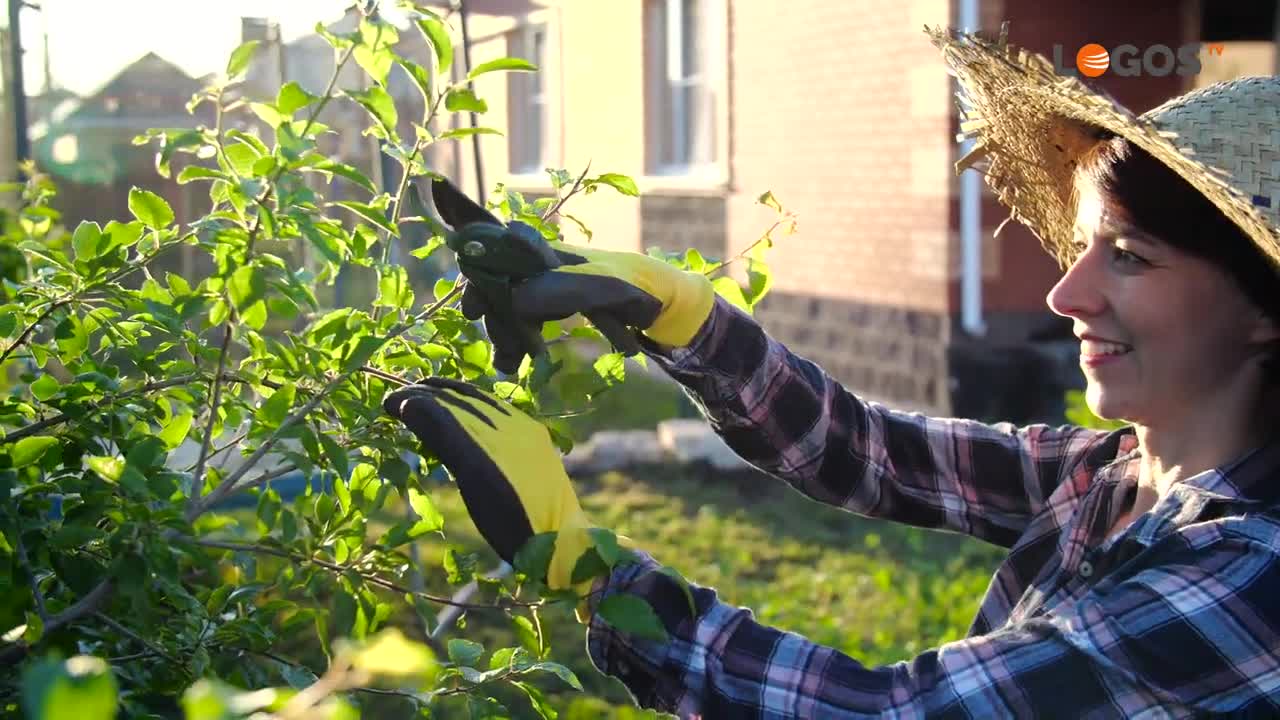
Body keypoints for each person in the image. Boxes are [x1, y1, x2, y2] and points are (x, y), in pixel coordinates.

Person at [383, 26, 1280, 717]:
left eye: (1130, 257)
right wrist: (681, 312)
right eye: (1084, 248)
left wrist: (591, 570)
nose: (1064, 294)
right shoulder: (1113, 473)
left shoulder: (1251, 575)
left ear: (1264, 313)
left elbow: (891, 712)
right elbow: (867, 452)